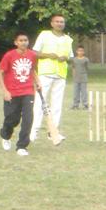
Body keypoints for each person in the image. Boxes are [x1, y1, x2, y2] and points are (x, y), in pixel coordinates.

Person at [31, 13, 73, 142]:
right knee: (40, 101)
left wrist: (65, 58)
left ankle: (53, 132)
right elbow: (34, 52)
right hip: (46, 72)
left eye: (62, 22)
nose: (60, 24)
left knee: (57, 104)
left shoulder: (68, 39)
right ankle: (34, 130)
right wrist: (49, 55)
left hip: (60, 74)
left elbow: (70, 56)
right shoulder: (44, 35)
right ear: (52, 23)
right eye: (57, 21)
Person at [0, 32, 39, 157]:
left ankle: (22, 146)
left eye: (25, 40)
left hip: (28, 91)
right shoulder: (9, 55)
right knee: (12, 119)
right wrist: (5, 91)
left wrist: (37, 81)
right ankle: (5, 135)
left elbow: (32, 70)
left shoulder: (32, 55)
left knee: (28, 119)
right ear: (16, 42)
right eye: (21, 40)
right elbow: (0, 73)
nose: (24, 42)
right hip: (12, 92)